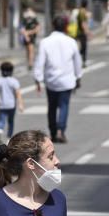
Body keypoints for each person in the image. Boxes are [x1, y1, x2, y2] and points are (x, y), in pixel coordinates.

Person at [33, 14, 82, 144]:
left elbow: (40, 62)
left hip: (51, 80)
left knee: (52, 107)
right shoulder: (71, 42)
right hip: (67, 80)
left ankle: (53, 131)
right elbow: (77, 61)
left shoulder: (45, 42)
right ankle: (61, 130)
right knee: (64, 105)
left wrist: (38, 78)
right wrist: (78, 77)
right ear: (65, 26)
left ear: (53, 26)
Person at [0, 61, 25, 145]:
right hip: (11, 105)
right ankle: (8, 138)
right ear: (11, 71)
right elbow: (18, 93)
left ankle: (0, 131)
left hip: (2, 104)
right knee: (10, 122)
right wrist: (21, 104)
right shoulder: (14, 81)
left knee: (1, 120)